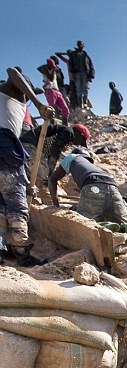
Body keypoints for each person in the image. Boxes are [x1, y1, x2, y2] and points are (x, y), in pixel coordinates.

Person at [0, 67, 53, 264]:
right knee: (16, 202)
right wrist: (39, 105)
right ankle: (21, 252)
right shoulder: (14, 91)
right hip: (5, 149)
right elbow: (12, 71)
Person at [48, 148, 127, 225]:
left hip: (92, 185)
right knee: (124, 223)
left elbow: (52, 179)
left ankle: (105, 226)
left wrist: (56, 205)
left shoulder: (71, 157)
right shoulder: (95, 169)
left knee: (84, 223)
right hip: (113, 187)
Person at [56, 41, 94, 110]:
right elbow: (58, 54)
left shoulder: (85, 56)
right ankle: (78, 105)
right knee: (77, 90)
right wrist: (67, 53)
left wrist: (91, 75)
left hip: (82, 74)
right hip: (75, 76)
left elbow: (90, 64)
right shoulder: (71, 59)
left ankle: (84, 103)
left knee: (84, 88)